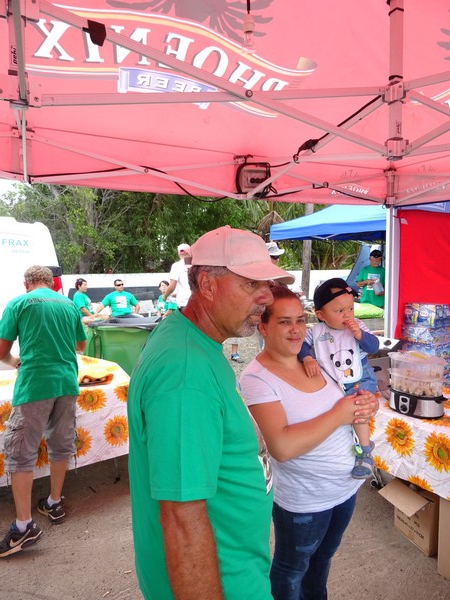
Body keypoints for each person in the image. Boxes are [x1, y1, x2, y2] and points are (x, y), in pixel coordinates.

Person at [127, 225, 295, 599]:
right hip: (221, 582)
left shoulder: (193, 341)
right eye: (252, 284)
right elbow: (182, 517)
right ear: (207, 285)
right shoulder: (186, 372)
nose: (267, 297)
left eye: (266, 284)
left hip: (234, 571)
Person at [239, 286, 379, 600]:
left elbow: (350, 392)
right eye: (284, 322)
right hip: (305, 500)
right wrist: (341, 413)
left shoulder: (314, 358)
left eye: (300, 320)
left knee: (323, 559)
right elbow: (282, 448)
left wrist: (368, 404)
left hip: (345, 488)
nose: (296, 330)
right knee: (292, 567)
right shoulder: (256, 378)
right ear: (263, 326)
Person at [0, 265, 87, 558]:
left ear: (27, 283)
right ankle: (53, 501)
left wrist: (15, 362)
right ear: (51, 284)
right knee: (61, 445)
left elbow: (2, 351)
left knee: (20, 451)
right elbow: (80, 345)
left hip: (35, 384)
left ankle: (24, 527)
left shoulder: (19, 303)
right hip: (66, 382)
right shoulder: (69, 304)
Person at [298, 277, 379, 479]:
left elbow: (374, 347)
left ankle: (365, 451)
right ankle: (338, 446)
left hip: (361, 378)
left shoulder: (358, 326)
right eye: (339, 311)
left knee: (358, 409)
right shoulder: (316, 332)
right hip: (333, 380)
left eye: (350, 309)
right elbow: (301, 346)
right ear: (321, 315)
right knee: (332, 411)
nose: (347, 315)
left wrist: (360, 335)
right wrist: (307, 358)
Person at [162, 243, 192, 309]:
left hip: (184, 303)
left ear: (178, 254)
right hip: (197, 302)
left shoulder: (176, 266)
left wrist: (165, 296)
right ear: (190, 253)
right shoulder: (196, 265)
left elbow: (172, 286)